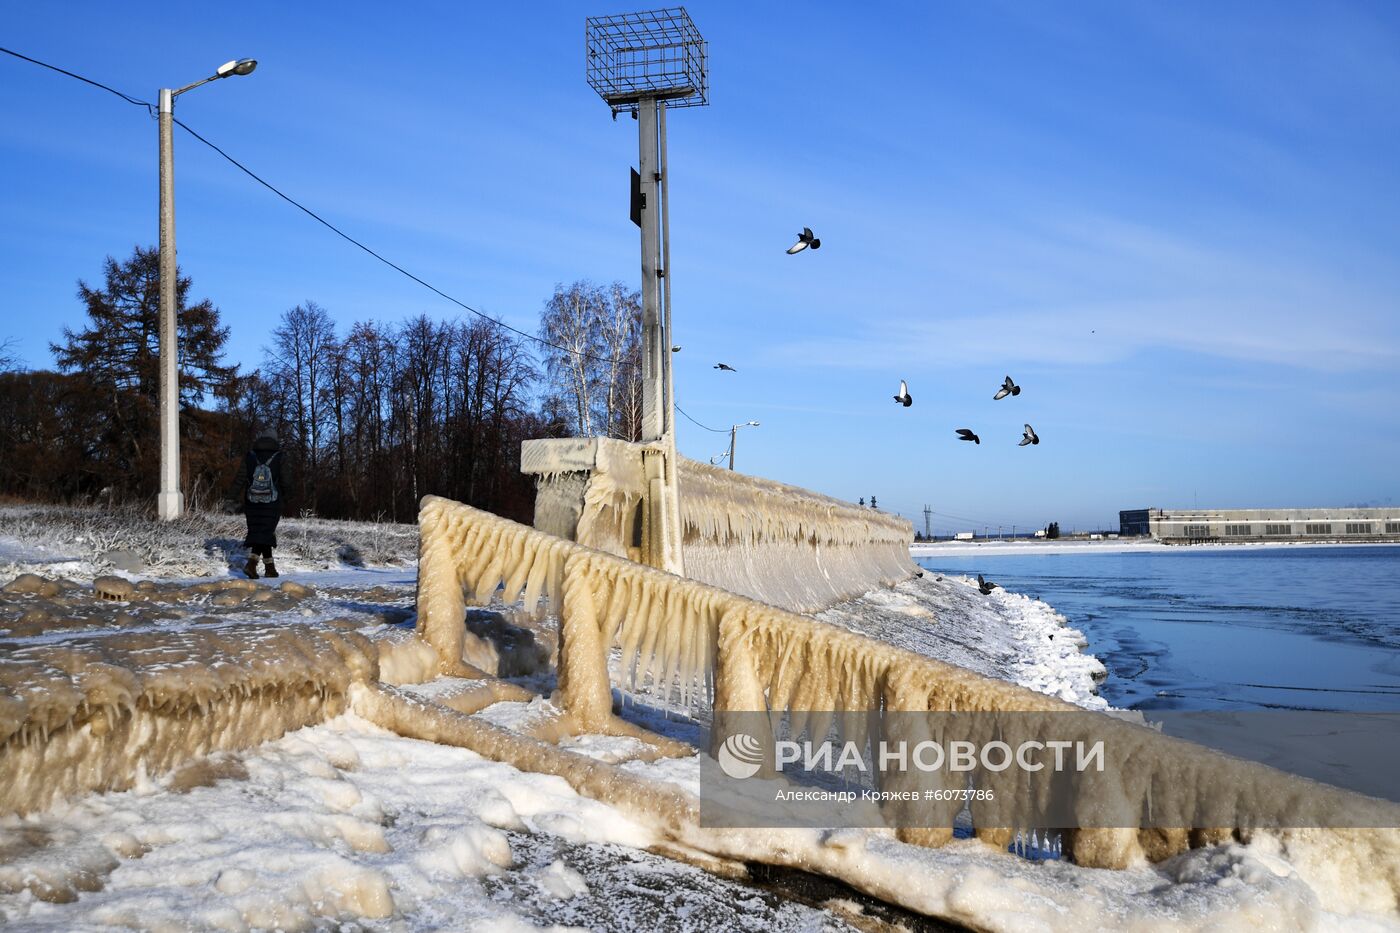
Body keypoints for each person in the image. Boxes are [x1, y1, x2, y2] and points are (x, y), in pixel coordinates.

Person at [232, 427, 288, 578]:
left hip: (252, 501)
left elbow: (240, 478)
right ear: (275, 440)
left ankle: (269, 568)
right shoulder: (280, 457)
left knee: (261, 533)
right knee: (266, 533)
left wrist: (230, 497)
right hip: (272, 501)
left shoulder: (250, 456)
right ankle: (252, 565)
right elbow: (286, 480)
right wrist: (288, 496)